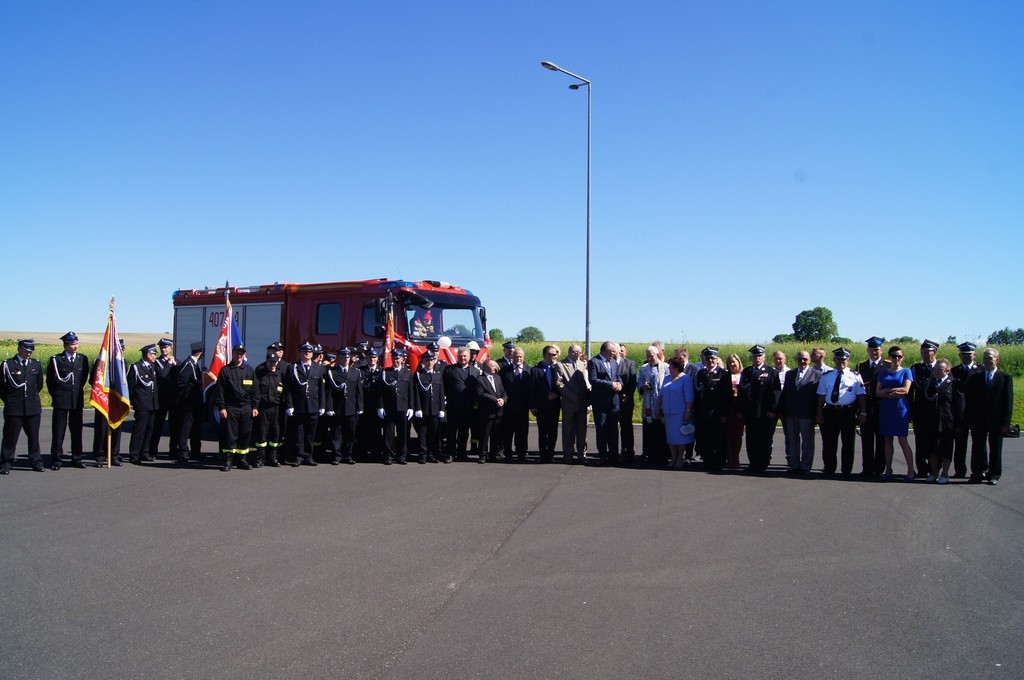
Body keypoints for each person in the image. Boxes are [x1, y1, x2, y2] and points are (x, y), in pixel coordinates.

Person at [964, 347, 1014, 485]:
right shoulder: (975, 377)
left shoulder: (1005, 377)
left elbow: (1008, 401)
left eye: (990, 358)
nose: (987, 360)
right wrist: (969, 419)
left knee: (995, 448)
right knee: (978, 448)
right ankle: (977, 473)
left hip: (996, 419)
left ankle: (994, 474)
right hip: (978, 419)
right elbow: (970, 401)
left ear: (997, 360)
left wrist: (1006, 422)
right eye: (985, 358)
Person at [815, 348, 867, 477]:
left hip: (848, 412)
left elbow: (861, 395)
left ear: (848, 360)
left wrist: (863, 413)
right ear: (834, 360)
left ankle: (846, 470)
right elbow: (821, 396)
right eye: (838, 359)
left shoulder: (855, 376)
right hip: (830, 412)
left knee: (848, 443)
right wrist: (819, 413)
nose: (841, 362)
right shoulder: (827, 376)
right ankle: (829, 468)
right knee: (829, 442)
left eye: (844, 359)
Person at [46, 331, 90, 469]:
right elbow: (50, 381)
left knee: (77, 431)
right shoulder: (57, 360)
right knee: (58, 431)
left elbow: (82, 379)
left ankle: (77, 458)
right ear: (65, 345)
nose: (75, 346)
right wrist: (57, 396)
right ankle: (57, 459)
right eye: (72, 344)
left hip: (76, 400)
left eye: (76, 343)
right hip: (61, 400)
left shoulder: (82, 359)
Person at [0, 339, 45, 474]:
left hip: (32, 407)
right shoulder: (8, 364)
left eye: (31, 351)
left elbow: (39, 385)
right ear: (19, 348)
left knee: (34, 437)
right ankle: (6, 463)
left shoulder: (36, 364)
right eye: (26, 350)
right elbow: (2, 387)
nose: (29, 353)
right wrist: (10, 400)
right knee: (10, 438)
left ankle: (36, 462)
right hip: (14, 408)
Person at [918, 359, 964, 484]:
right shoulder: (929, 383)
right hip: (931, 421)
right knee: (932, 448)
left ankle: (945, 474)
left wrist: (959, 424)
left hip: (946, 422)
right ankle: (934, 473)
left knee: (946, 449)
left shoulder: (953, 384)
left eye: (940, 369)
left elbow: (959, 406)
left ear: (948, 371)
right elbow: (923, 402)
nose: (937, 371)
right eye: (935, 369)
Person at [213, 345, 258, 471]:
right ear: (232, 354)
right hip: (231, 408)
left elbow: (255, 391)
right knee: (230, 435)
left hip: (246, 408)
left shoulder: (249, 370)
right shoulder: (225, 370)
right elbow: (220, 391)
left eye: (241, 353)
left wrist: (255, 406)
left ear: (244, 355)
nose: (239, 355)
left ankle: (242, 459)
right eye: (237, 353)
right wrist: (222, 407)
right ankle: (228, 460)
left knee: (245, 434)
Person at [737, 345, 780, 473]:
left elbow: (776, 393)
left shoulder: (771, 372)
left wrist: (773, 410)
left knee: (764, 440)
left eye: (759, 356)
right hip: (749, 412)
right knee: (751, 439)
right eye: (755, 356)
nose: (757, 358)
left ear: (764, 357)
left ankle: (762, 464)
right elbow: (741, 392)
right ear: (751, 358)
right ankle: (753, 463)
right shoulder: (746, 372)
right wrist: (740, 410)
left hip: (764, 413)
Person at [282, 342, 326, 467]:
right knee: (299, 433)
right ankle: (299, 456)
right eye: (304, 351)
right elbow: (288, 389)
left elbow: (321, 388)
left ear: (312, 354)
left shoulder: (318, 368)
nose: (307, 353)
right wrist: (289, 405)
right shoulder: (293, 368)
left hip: (313, 405)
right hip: (298, 406)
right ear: (300, 353)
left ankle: (309, 456)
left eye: (309, 352)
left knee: (310, 433)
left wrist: (322, 405)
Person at [876, 346, 915, 481]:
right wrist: (890, 392)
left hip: (900, 408)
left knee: (902, 439)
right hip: (886, 408)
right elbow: (878, 393)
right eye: (894, 356)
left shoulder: (906, 371)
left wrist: (887, 390)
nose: (896, 358)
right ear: (889, 357)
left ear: (902, 358)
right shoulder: (883, 373)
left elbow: (905, 390)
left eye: (899, 356)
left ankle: (910, 470)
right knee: (887, 439)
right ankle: (888, 469)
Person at [778, 350, 820, 474]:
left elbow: (818, 397)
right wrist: (781, 411)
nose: (802, 361)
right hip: (791, 413)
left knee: (807, 442)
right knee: (792, 440)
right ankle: (794, 465)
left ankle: (806, 466)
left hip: (807, 414)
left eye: (805, 359)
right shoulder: (790, 374)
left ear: (809, 360)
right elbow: (785, 393)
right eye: (800, 359)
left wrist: (817, 414)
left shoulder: (817, 374)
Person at [855, 336, 889, 477]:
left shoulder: (887, 365)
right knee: (866, 440)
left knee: (881, 440)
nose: (874, 352)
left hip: (882, 408)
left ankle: (879, 468)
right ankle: (867, 468)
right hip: (866, 408)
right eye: (871, 350)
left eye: (877, 350)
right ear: (867, 350)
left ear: (881, 350)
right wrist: (858, 411)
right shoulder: (861, 366)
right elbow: (858, 389)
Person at [90, 341, 126, 467]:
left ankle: (114, 455)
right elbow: (93, 380)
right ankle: (99, 456)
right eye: (119, 349)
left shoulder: (122, 362)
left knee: (117, 427)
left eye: (122, 349)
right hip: (103, 399)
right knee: (101, 429)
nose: (121, 351)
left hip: (117, 401)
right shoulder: (101, 361)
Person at [588, 341, 623, 466]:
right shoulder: (594, 362)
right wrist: (610, 384)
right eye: (613, 351)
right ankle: (602, 456)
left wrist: (620, 384)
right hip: (600, 402)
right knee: (602, 429)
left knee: (613, 430)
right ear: (606, 351)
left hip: (614, 402)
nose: (615, 353)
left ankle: (614, 456)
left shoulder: (613, 362)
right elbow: (593, 380)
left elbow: (617, 376)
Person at [325, 348, 362, 465]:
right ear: (339, 358)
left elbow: (359, 392)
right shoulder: (333, 372)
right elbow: (329, 392)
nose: (346, 359)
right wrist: (329, 407)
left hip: (351, 408)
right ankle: (336, 456)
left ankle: (348, 455)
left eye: (347, 357)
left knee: (350, 433)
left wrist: (360, 407)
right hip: (338, 408)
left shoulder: (356, 372)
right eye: (343, 357)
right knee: (336, 433)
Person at [951, 341, 983, 478]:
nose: (966, 356)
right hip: (960, 413)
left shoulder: (981, 370)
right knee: (960, 444)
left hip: (976, 413)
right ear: (959, 355)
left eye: (969, 354)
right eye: (963, 354)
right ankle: (960, 470)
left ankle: (981, 470)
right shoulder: (954, 371)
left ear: (974, 355)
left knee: (979, 444)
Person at [658, 357, 696, 469]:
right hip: (668, 413)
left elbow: (689, 398)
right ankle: (673, 457)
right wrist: (658, 407)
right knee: (671, 437)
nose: (668, 367)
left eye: (670, 366)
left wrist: (688, 411)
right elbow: (661, 394)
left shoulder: (685, 379)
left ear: (676, 367)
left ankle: (680, 458)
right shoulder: (667, 378)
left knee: (680, 437)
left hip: (680, 413)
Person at [378, 348, 414, 465]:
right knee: (388, 434)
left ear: (402, 359)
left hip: (403, 407)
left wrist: (411, 407)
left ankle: (402, 456)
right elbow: (381, 392)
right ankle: (388, 455)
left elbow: (411, 391)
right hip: (389, 407)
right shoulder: (385, 372)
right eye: (393, 358)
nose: (395, 361)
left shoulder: (408, 373)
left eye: (397, 358)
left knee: (403, 433)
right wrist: (380, 406)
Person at [910, 339, 940, 479]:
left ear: (935, 352)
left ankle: (936, 469)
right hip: (920, 412)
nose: (925, 355)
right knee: (920, 442)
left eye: (928, 352)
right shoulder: (916, 369)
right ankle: (922, 469)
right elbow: (911, 392)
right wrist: (910, 411)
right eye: (923, 352)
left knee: (936, 443)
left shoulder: (941, 367)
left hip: (936, 412)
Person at [555, 343, 589, 464]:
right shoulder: (560, 365)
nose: (577, 354)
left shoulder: (582, 364)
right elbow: (559, 384)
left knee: (582, 429)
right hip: (569, 402)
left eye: (579, 352)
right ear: (570, 352)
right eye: (575, 352)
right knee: (568, 429)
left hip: (582, 402)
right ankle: (568, 454)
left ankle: (582, 454)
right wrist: (572, 397)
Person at [174, 341, 206, 466]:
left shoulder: (194, 364)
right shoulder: (188, 364)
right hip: (188, 404)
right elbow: (181, 383)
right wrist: (183, 401)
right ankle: (183, 452)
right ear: (201, 352)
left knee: (196, 428)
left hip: (195, 403)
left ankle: (195, 452)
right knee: (185, 429)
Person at [443, 347, 477, 462]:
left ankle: (462, 454)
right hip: (453, 406)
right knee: (451, 432)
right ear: (457, 357)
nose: (463, 358)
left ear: (469, 356)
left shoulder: (475, 371)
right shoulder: (449, 370)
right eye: (460, 356)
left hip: (468, 407)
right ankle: (450, 454)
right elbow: (445, 387)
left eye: (465, 356)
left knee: (464, 432)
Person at [127, 344, 160, 464]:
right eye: (154, 354)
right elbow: (131, 387)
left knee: (149, 429)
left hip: (152, 403)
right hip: (142, 404)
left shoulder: (153, 366)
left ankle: (145, 452)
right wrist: (135, 402)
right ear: (148, 355)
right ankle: (134, 455)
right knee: (139, 430)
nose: (155, 356)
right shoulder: (136, 367)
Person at [638, 346, 670, 467]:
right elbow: (639, 383)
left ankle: (663, 455)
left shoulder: (666, 367)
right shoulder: (643, 368)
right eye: (647, 356)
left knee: (661, 430)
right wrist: (643, 386)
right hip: (648, 403)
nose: (649, 358)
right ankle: (650, 454)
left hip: (661, 402)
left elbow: (669, 383)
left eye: (651, 356)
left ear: (657, 355)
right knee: (649, 429)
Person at [412, 351, 445, 463]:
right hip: (423, 409)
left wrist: (442, 409)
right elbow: (416, 393)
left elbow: (441, 393)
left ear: (434, 361)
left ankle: (431, 454)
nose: (429, 362)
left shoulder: (438, 375)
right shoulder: (419, 375)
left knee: (433, 433)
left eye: (431, 360)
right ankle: (422, 454)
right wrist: (418, 408)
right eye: (427, 360)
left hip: (435, 409)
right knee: (423, 433)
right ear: (423, 361)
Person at [254, 350, 285, 467]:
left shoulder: (280, 374)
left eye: (274, 362)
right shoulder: (260, 374)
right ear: (266, 361)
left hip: (276, 408)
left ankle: (273, 457)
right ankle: (260, 458)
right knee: (262, 433)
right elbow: (255, 392)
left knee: (275, 433)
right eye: (270, 362)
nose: (272, 364)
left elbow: (285, 392)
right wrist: (255, 406)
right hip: (263, 408)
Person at [500, 347, 531, 462]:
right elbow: (501, 388)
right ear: (512, 357)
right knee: (507, 432)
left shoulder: (529, 370)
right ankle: (508, 453)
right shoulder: (504, 371)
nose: (518, 358)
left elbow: (531, 389)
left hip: (523, 407)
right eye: (516, 356)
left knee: (522, 432)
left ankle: (521, 453)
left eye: (520, 356)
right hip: (508, 408)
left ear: (523, 357)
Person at [532, 345, 562, 463]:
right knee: (542, 432)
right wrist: (533, 406)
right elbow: (532, 389)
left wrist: (557, 394)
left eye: (555, 354)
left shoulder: (558, 369)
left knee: (553, 432)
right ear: (545, 355)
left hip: (554, 405)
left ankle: (550, 455)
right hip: (541, 406)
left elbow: (563, 385)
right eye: (552, 354)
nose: (554, 356)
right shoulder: (535, 370)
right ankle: (543, 455)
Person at [472, 359, 505, 463]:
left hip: (498, 412)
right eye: (493, 366)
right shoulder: (479, 379)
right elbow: (481, 394)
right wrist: (496, 400)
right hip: (486, 413)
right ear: (486, 367)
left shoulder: (498, 378)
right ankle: (482, 455)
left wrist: (503, 400)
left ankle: (493, 455)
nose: (495, 368)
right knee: (484, 435)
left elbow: (503, 392)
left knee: (495, 435)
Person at [149, 338, 177, 460]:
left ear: (171, 348)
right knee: (157, 426)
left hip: (173, 399)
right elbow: (163, 375)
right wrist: (170, 364)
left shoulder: (176, 361)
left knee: (174, 426)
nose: (163, 349)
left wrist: (174, 364)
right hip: (161, 398)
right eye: (162, 347)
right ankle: (152, 451)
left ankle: (173, 451)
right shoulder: (157, 362)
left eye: (166, 347)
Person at [616, 343, 639, 465]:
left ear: (625, 352)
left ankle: (628, 451)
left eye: (622, 350)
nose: (619, 352)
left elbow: (632, 382)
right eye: (618, 350)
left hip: (626, 401)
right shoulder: (610, 363)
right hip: (613, 401)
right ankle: (613, 452)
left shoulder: (630, 363)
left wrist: (627, 395)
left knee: (626, 428)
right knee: (612, 428)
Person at [724, 353, 745, 469]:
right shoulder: (725, 376)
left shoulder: (744, 375)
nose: (732, 364)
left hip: (739, 409)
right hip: (728, 409)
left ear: (738, 362)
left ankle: (736, 457)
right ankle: (729, 457)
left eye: (734, 362)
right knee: (728, 434)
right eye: (730, 362)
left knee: (737, 434)